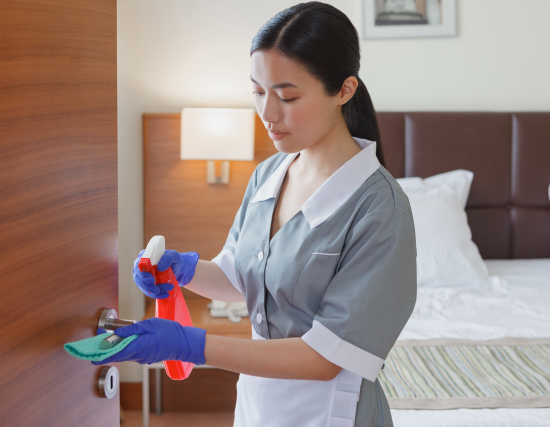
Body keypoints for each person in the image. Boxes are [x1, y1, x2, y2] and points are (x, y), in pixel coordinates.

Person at [93, 2, 417, 425]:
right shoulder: (269, 174)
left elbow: (325, 357)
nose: (267, 114)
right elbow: (240, 277)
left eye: (287, 96)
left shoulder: (380, 208)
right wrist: (183, 270)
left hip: (328, 412)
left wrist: (191, 345)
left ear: (344, 90)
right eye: (258, 92)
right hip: (258, 405)